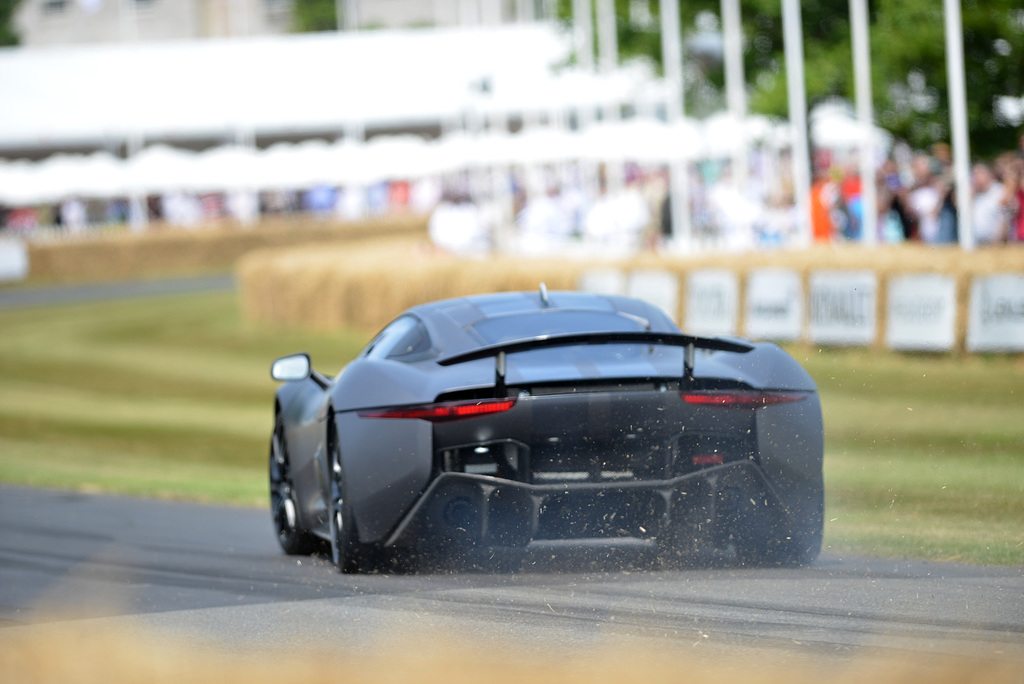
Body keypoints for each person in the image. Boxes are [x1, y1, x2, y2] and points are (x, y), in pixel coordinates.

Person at [971, 163, 1005, 245]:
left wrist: (997, 242)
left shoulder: (999, 191)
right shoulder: (973, 193)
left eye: (979, 174)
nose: (975, 178)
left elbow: (1004, 218)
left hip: (995, 244)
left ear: (989, 175)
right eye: (974, 174)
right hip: (976, 244)